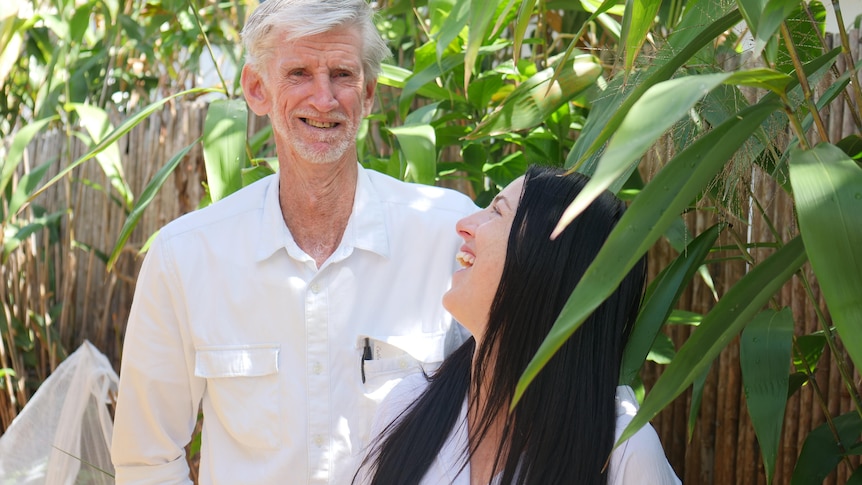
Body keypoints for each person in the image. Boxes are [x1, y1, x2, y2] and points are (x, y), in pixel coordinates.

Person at [110, 0, 476, 483]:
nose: (323, 99)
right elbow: (145, 458)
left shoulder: (449, 236)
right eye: (299, 72)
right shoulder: (186, 259)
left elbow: (509, 421)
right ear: (257, 89)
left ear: (368, 94)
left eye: (342, 74)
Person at [356, 165, 682, 485]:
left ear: (547, 265)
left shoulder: (623, 455)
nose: (464, 225)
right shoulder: (407, 405)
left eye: (497, 212)